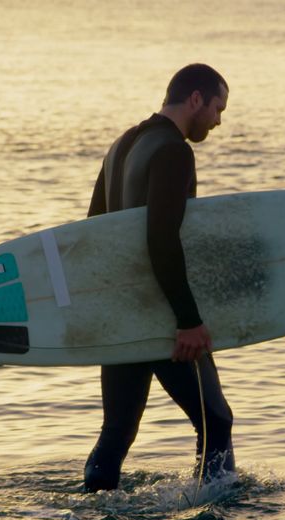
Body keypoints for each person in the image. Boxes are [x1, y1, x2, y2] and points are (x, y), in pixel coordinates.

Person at [83, 63, 235, 492]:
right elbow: (163, 239)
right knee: (216, 421)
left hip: (123, 313)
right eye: (218, 108)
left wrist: (104, 313)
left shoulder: (121, 146)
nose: (218, 121)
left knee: (117, 432)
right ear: (195, 99)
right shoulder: (173, 151)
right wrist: (187, 320)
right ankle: (215, 519)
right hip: (161, 313)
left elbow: (92, 234)